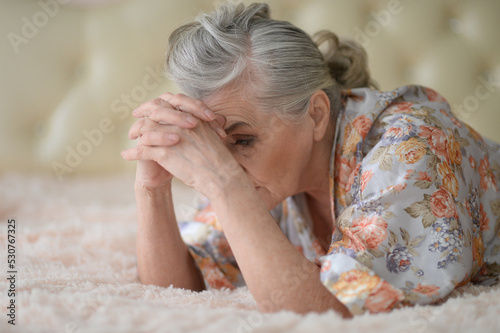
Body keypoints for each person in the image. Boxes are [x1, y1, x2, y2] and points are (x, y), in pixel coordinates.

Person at [121, 2, 500, 317]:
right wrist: (152, 188)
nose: (220, 162)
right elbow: (176, 289)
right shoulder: (266, 175)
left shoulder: (412, 148)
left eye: (243, 140)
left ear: (316, 114)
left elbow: (331, 312)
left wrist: (224, 182)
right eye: (211, 144)